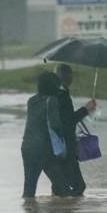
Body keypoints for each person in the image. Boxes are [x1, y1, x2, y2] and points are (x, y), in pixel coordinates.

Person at [22, 71, 73, 198]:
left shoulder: (31, 101)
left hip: (27, 148)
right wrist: (64, 138)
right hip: (44, 149)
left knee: (29, 189)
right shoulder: (52, 100)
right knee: (63, 188)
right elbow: (55, 125)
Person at [53, 63, 97, 197]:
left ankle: (58, 210)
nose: (71, 79)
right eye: (69, 76)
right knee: (79, 186)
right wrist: (86, 109)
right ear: (67, 79)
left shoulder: (55, 94)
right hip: (66, 146)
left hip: (57, 146)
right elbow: (68, 121)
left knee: (59, 185)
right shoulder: (62, 96)